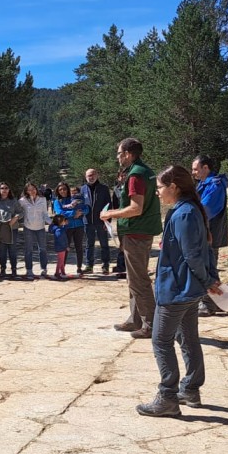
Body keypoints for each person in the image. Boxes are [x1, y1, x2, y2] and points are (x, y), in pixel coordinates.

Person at [137, 166, 222, 417]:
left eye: (160, 188)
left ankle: (167, 397)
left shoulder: (184, 214)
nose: (158, 194)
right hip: (187, 289)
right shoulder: (189, 210)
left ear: (174, 187)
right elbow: (204, 249)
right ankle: (190, 390)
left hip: (177, 289)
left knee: (161, 340)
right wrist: (209, 279)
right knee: (187, 338)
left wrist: (208, 280)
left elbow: (193, 255)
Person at [100, 138, 161, 339]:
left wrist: (111, 214)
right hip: (139, 231)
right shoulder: (144, 171)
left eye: (119, 153)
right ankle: (135, 319)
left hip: (136, 232)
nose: (117, 157)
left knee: (138, 279)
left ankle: (151, 324)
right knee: (134, 277)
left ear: (128, 154)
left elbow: (136, 208)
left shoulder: (136, 176)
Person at [192, 155, 228, 316]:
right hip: (206, 233)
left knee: (208, 268)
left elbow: (205, 209)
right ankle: (218, 301)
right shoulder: (204, 183)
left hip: (210, 234)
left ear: (205, 168)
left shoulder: (215, 185)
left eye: (195, 169)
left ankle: (209, 304)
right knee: (207, 266)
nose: (193, 172)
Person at [52, 181, 87, 275]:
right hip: (66, 228)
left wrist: (81, 212)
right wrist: (73, 213)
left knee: (79, 247)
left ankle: (79, 267)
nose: (63, 191)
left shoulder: (74, 198)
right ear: (57, 191)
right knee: (65, 248)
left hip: (79, 225)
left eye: (64, 189)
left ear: (67, 189)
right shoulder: (57, 201)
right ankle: (62, 269)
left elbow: (86, 208)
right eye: (60, 189)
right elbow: (60, 212)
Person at [82, 168, 112, 273]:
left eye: (93, 174)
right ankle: (89, 265)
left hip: (101, 222)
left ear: (97, 175)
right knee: (89, 244)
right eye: (89, 175)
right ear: (86, 177)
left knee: (104, 244)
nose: (91, 177)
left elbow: (108, 205)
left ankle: (105, 265)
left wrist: (108, 220)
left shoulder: (104, 188)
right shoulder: (83, 189)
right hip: (87, 222)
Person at [0, 181, 23, 278]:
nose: (4, 190)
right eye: (2, 188)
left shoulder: (13, 201)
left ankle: (14, 270)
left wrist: (15, 218)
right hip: (0, 228)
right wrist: (4, 218)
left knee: (12, 249)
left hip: (12, 228)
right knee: (2, 250)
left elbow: (21, 212)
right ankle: (3, 269)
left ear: (9, 190)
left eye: (6, 188)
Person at [20, 182, 50, 279]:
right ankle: (29, 270)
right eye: (29, 189)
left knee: (42, 249)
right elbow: (18, 211)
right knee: (28, 250)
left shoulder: (43, 199)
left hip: (40, 227)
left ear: (36, 189)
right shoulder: (22, 201)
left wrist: (52, 222)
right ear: (26, 191)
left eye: (33, 189)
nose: (32, 191)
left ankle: (44, 268)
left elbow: (45, 214)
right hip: (28, 227)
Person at [50, 214, 70, 280]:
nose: (65, 221)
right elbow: (61, 240)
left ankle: (63, 272)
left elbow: (64, 229)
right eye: (64, 220)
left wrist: (66, 224)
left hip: (61, 247)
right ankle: (57, 273)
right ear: (60, 222)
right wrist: (66, 246)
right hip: (61, 247)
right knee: (60, 261)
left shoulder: (60, 228)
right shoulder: (59, 230)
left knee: (61, 260)